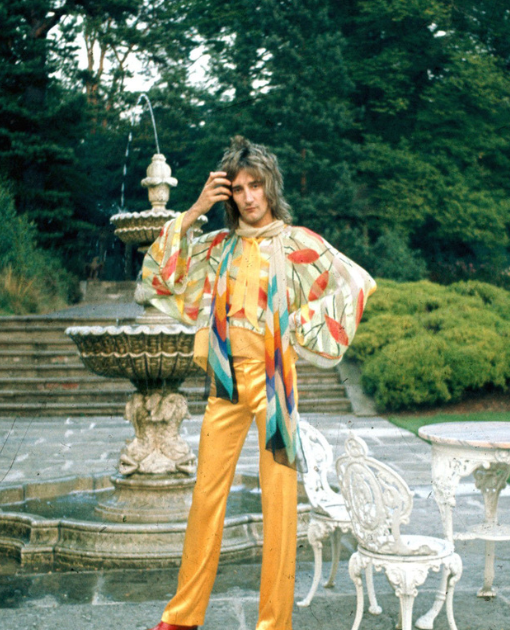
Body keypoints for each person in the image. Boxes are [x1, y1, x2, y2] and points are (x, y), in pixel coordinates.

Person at [142, 136, 376, 630]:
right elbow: (159, 275)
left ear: (271, 188)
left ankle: (274, 623)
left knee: (280, 506)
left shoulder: (296, 244)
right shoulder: (219, 247)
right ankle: (182, 618)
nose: (249, 197)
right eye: (240, 188)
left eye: (257, 186)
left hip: (274, 387)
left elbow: (356, 282)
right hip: (225, 386)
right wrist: (195, 209)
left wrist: (302, 325)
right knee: (206, 495)